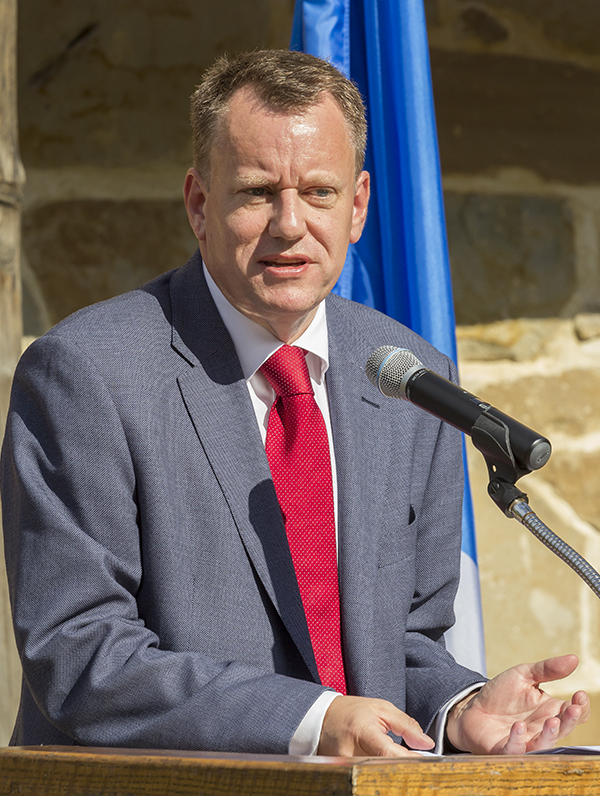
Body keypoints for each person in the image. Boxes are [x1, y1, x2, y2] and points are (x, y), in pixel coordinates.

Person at [0, 50, 589, 756]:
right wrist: (312, 721)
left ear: (359, 207)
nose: (289, 224)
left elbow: (401, 647)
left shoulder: (412, 379)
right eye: (256, 192)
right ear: (198, 204)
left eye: (318, 193)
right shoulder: (87, 373)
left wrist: (456, 710)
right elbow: (81, 657)